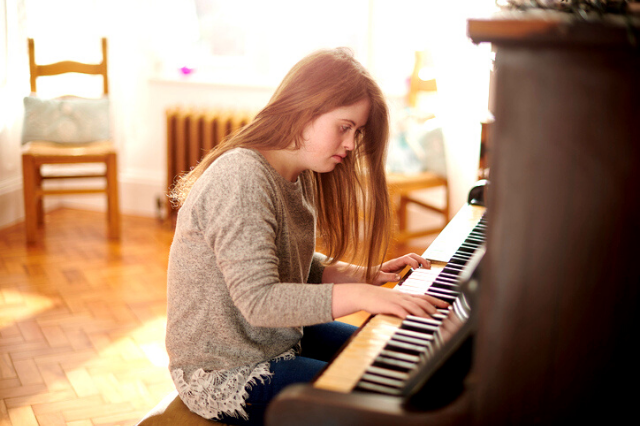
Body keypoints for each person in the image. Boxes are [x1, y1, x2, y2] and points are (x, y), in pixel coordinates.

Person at [165, 48, 448, 426]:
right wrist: (365, 296)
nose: (350, 144)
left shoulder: (297, 175)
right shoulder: (241, 177)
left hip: (272, 339)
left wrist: (366, 273)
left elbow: (295, 265)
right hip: (226, 369)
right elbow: (260, 300)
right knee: (375, 401)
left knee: (391, 358)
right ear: (304, 109)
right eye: (344, 126)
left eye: (357, 132)